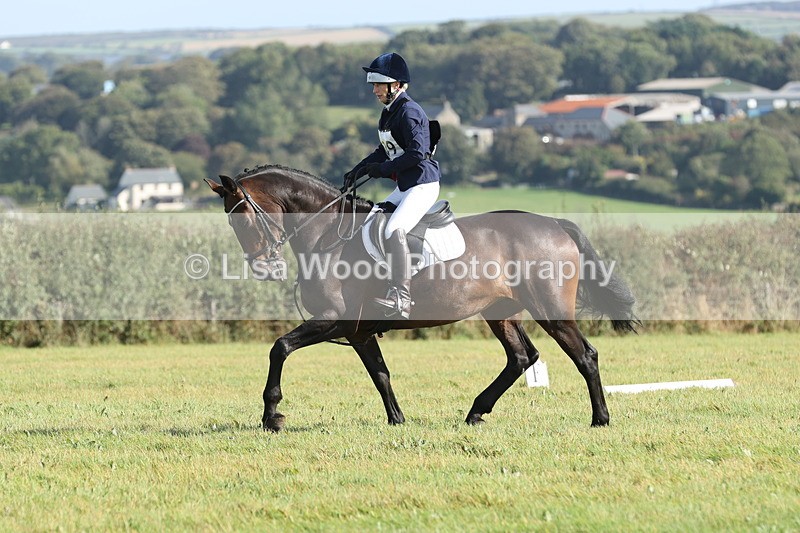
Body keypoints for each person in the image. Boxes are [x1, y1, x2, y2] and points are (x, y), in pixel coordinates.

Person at [343, 52, 441, 320]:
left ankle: (402, 297)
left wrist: (383, 170)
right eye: (373, 84)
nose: (374, 90)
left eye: (378, 84)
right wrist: (360, 168)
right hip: (406, 185)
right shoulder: (389, 113)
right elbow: (385, 149)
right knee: (373, 219)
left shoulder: (408, 112)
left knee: (394, 227)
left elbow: (417, 154)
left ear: (396, 85)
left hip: (422, 184)